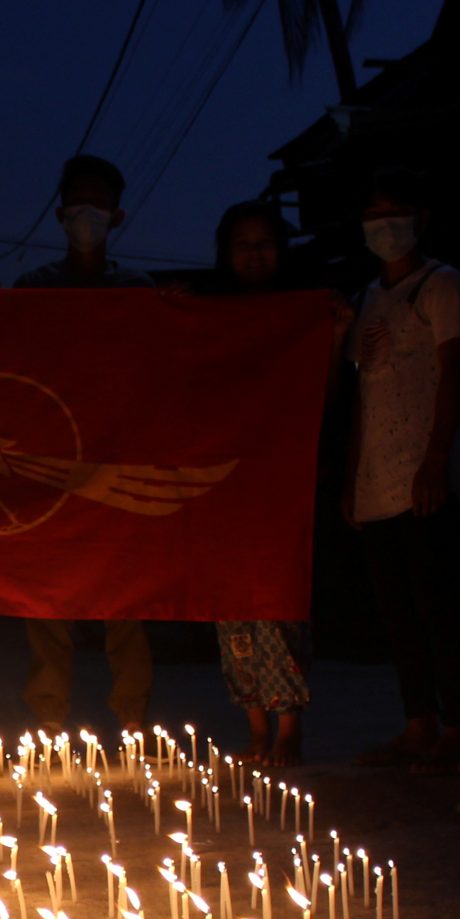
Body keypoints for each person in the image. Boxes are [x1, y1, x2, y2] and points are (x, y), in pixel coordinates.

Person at [12, 152, 153, 733]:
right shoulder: (32, 291)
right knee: (48, 600)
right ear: (60, 213)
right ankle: (49, 722)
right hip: (52, 464)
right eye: (78, 205)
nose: (87, 214)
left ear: (117, 215)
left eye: (98, 204)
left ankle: (135, 723)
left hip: (118, 460)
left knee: (127, 602)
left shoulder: (137, 292)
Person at [342, 169, 460, 770]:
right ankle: (417, 723)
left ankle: (458, 726)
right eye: (374, 215)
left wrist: (436, 460)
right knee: (398, 613)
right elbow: (361, 392)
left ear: (420, 219)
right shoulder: (369, 296)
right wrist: (352, 476)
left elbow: (454, 374)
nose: (384, 227)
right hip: (377, 479)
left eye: (396, 213)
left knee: (439, 606)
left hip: (424, 473)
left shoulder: (442, 285)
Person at [196, 199, 315, 764]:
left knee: (279, 604)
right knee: (234, 610)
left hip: (279, 481)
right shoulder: (212, 314)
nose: (253, 254)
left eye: (263, 243)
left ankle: (288, 729)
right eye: (241, 244)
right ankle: (255, 729)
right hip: (225, 485)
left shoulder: (300, 312)